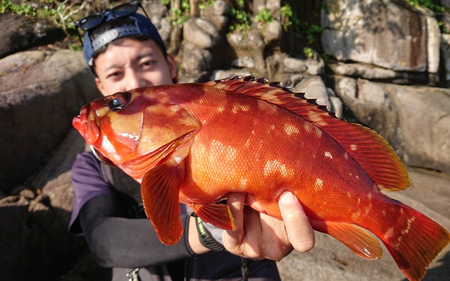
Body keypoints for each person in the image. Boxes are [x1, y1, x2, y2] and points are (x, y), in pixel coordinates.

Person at [69, 2, 315, 280]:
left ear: (171, 65)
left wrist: (283, 220)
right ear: (100, 87)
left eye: (147, 63)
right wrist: (209, 231)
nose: (133, 81)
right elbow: (104, 242)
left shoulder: (215, 112)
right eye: (115, 76)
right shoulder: (89, 166)